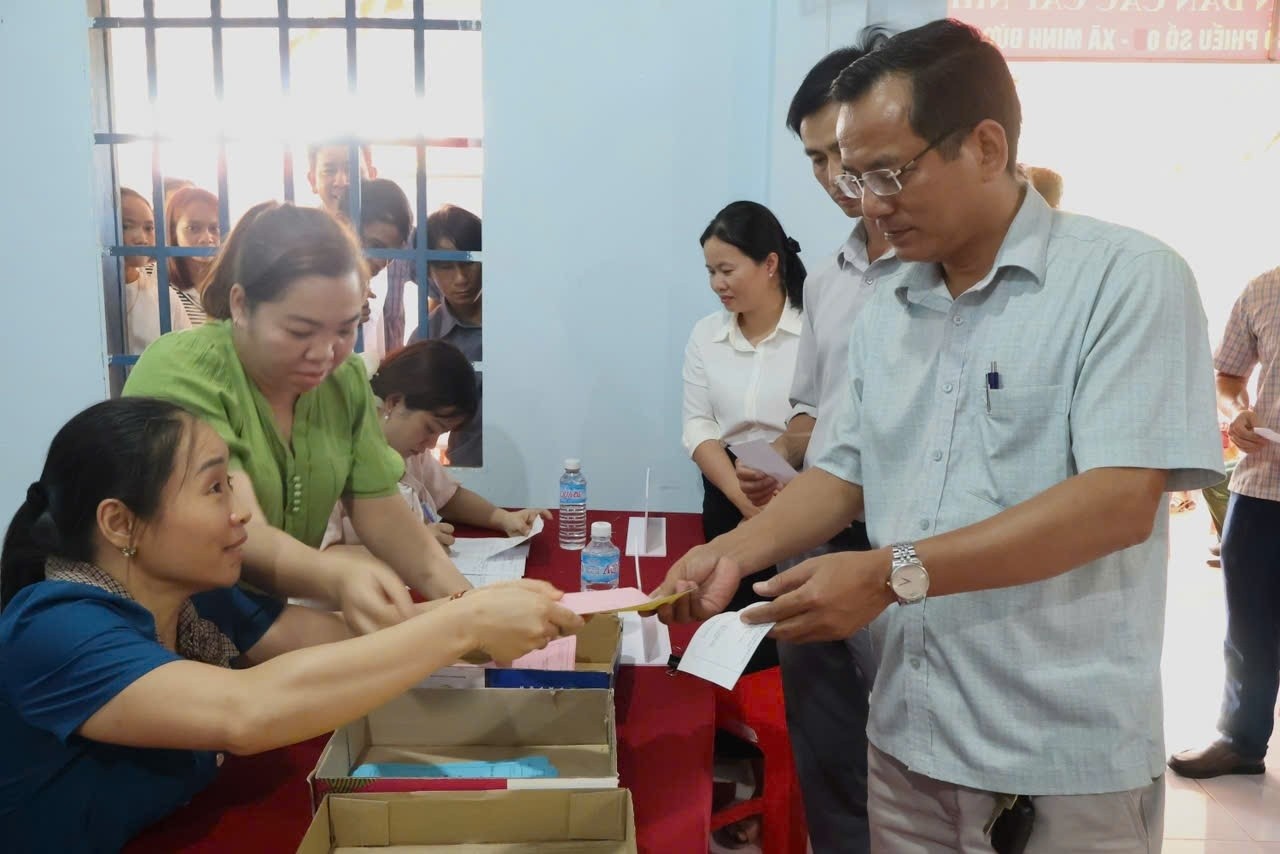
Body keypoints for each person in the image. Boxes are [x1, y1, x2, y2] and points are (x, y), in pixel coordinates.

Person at [655, 19, 1222, 851]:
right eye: (853, 177)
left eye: (890, 173)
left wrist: (889, 575)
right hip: (911, 738)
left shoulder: (1125, 279)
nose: (868, 202)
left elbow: (1115, 504)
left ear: (987, 147)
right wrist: (736, 552)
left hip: (1059, 754)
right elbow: (843, 470)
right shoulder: (890, 302)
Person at [0, 397, 580, 853]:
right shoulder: (53, 628)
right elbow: (246, 711)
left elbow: (338, 640)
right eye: (214, 488)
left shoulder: (194, 595)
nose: (240, 512)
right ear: (120, 523)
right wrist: (464, 623)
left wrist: (479, 608)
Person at [123, 201, 473, 635]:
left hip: (255, 621)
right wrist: (337, 577)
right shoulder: (185, 370)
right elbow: (239, 525)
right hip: (158, 623)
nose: (324, 354)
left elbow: (384, 514)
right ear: (241, 305)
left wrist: (468, 605)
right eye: (300, 331)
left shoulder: (343, 383)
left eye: (344, 330)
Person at [731, 40, 899, 854]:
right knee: (829, 760)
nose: (837, 176)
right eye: (816, 159)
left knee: (910, 764)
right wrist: (780, 454)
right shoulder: (830, 279)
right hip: (819, 539)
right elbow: (816, 415)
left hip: (909, 555)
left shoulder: (945, 275)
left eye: (845, 152)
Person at [682, 200, 805, 672]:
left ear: (770, 264)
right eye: (710, 272)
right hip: (729, 489)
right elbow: (698, 425)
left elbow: (824, 416)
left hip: (801, 492)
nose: (718, 283)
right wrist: (742, 497)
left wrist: (777, 500)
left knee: (793, 635)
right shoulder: (706, 334)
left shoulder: (813, 330)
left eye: (727, 270)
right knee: (732, 631)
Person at [1169, 266, 1280, 779]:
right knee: (1248, 626)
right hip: (1262, 486)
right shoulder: (1264, 289)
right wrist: (1237, 411)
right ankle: (1240, 740)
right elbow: (1228, 376)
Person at [323, 339, 548, 556]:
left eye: (441, 434)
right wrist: (408, 547)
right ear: (394, 402)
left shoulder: (407, 452)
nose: (431, 444)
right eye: (430, 428)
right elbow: (317, 557)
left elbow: (448, 497)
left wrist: (503, 518)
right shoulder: (331, 454)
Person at [411, 204, 483, 467]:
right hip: (470, 471)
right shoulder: (427, 338)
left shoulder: (522, 320)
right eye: (445, 267)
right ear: (428, 270)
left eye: (469, 262)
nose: (461, 278)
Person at [120, 187, 190, 354]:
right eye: (126, 226)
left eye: (148, 228)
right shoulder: (88, 295)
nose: (141, 239)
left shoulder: (164, 298)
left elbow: (186, 356)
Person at [356, 177, 414, 371]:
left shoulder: (372, 293)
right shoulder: (305, 276)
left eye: (392, 254)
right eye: (375, 246)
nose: (382, 263)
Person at [166, 186, 221, 327]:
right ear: (173, 232)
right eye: (193, 228)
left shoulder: (233, 280)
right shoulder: (152, 278)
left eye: (214, 228)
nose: (206, 238)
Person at [307, 143, 376, 218]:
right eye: (329, 171)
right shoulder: (304, 224)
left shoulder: (384, 221)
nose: (341, 183)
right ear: (313, 181)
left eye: (352, 170)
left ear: (372, 175)